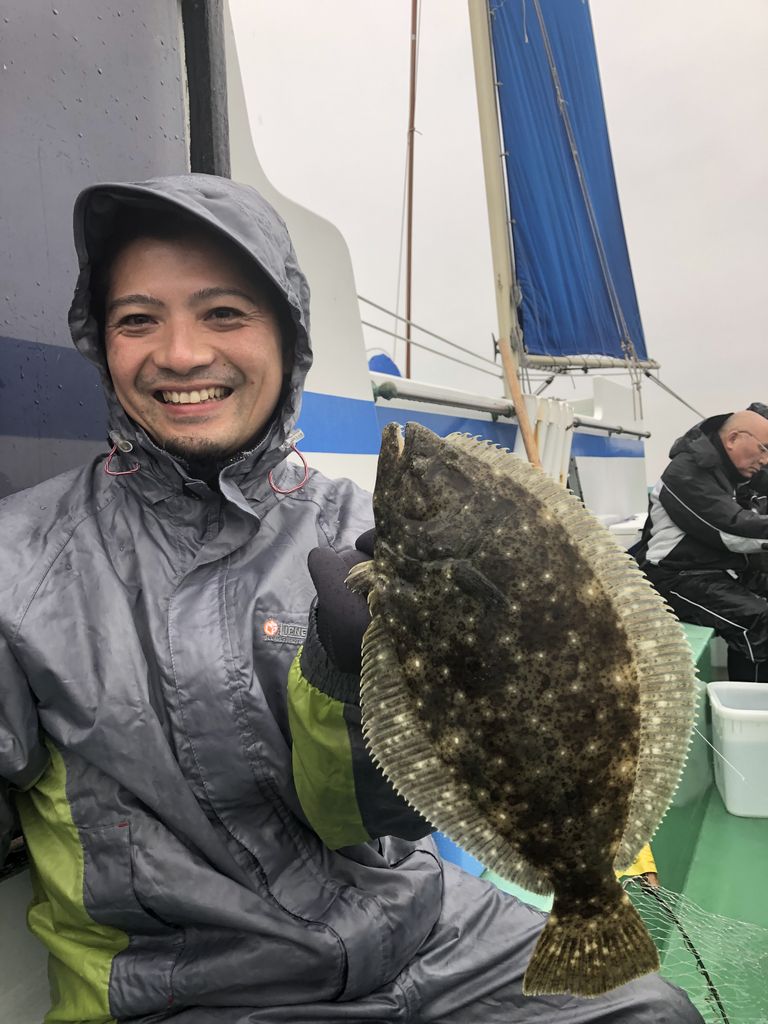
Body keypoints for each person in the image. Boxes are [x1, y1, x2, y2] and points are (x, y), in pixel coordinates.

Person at [0, 174, 702, 1023]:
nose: (181, 353)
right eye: (137, 320)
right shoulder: (18, 558)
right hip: (192, 986)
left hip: (423, 932)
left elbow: (374, 816)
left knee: (653, 1010)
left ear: (286, 336)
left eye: (224, 313)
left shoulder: (358, 526)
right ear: (102, 344)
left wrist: (345, 676)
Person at [637, 408, 768, 682]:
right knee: (759, 621)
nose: (765, 460)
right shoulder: (685, 472)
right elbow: (731, 529)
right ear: (733, 439)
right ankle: (751, 705)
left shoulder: (735, 471)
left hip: (722, 569)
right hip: (675, 576)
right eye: (763, 449)